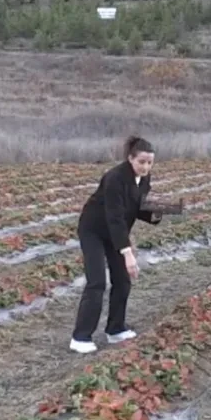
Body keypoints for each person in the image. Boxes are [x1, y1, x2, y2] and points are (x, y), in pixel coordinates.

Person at [69, 135, 164, 354]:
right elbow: (115, 217)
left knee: (122, 280)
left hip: (114, 232)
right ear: (130, 158)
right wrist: (127, 252)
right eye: (141, 162)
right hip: (93, 230)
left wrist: (159, 213)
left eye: (150, 163)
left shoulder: (144, 179)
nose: (146, 167)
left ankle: (115, 329)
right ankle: (80, 337)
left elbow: (136, 207)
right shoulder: (114, 178)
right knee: (97, 282)